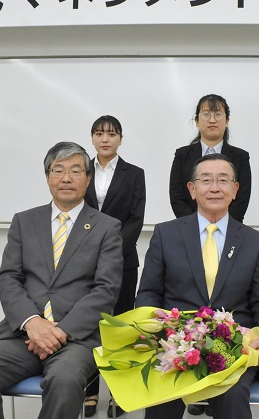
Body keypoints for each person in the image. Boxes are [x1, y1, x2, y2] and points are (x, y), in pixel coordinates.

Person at [0, 142, 123, 419]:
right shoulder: (24, 221)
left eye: (75, 171)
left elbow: (106, 290)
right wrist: (33, 323)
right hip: (23, 335)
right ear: (47, 177)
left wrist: (60, 331)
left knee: (65, 380)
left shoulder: (107, 227)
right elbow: (8, 277)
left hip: (76, 339)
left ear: (88, 179)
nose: (66, 178)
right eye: (58, 170)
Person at [137, 153, 259, 419]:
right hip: (176, 345)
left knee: (232, 396)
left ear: (235, 189)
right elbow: (149, 292)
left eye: (223, 180)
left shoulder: (254, 241)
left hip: (234, 349)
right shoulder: (165, 234)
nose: (215, 187)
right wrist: (153, 335)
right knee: (162, 396)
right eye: (206, 180)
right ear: (192, 189)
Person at [83, 116, 146, 418]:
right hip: (83, 262)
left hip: (122, 261)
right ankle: (90, 391)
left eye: (111, 134)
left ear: (120, 138)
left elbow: (135, 219)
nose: (105, 139)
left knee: (119, 327)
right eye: (99, 133)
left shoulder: (134, 174)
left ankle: (119, 394)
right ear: (92, 138)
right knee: (89, 326)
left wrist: (110, 252)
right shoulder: (80, 170)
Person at [169, 94, 251, 224]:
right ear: (196, 121)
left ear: (227, 121)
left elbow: (242, 198)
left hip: (229, 229)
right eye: (206, 114)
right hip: (189, 228)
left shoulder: (240, 157)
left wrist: (222, 225)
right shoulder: (182, 155)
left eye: (218, 114)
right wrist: (197, 225)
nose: (212, 120)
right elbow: (176, 197)